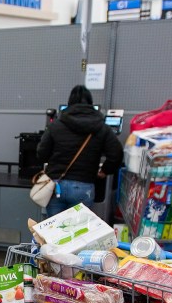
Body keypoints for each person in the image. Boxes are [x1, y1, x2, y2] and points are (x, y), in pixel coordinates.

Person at [37, 85, 124, 218]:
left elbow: (41, 154)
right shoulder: (102, 128)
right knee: (78, 235)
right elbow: (117, 154)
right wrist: (104, 171)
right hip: (84, 186)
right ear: (90, 103)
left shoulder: (55, 125)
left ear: (69, 103)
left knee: (53, 234)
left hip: (55, 186)